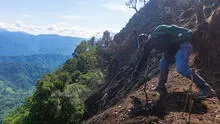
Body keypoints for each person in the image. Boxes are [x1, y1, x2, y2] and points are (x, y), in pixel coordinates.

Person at [137, 25, 214, 98]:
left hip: (183, 45)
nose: (143, 46)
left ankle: (206, 89)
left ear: (144, 40)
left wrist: (167, 55)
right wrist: (136, 72)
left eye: (142, 44)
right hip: (175, 50)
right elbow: (144, 57)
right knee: (163, 62)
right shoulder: (150, 43)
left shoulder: (155, 37)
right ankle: (161, 86)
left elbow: (170, 44)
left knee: (181, 69)